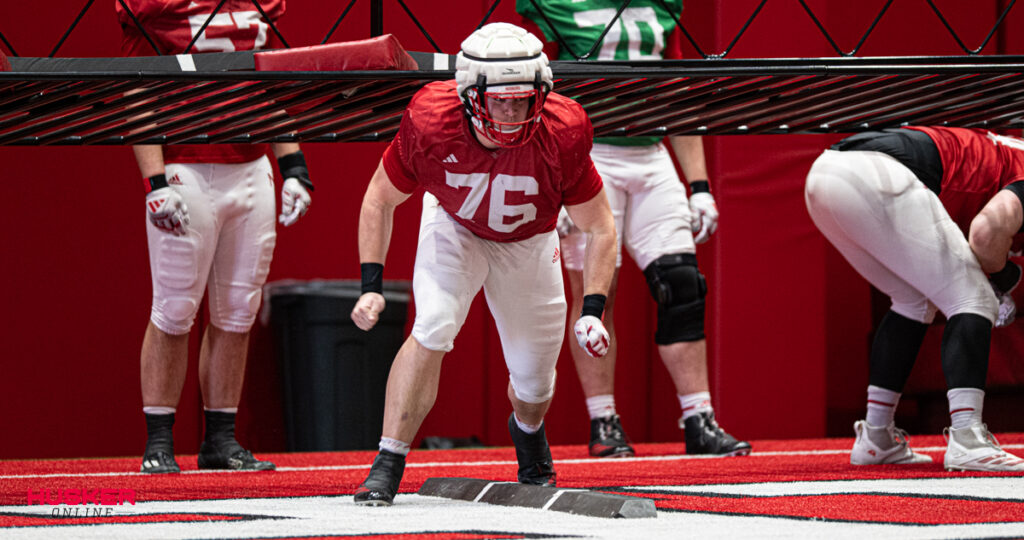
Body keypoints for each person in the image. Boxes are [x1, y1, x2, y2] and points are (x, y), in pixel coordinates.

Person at [349, 22, 617, 506]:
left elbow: (600, 226)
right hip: (455, 224)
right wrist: (371, 283)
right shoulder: (431, 120)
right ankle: (388, 461)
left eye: (523, 100)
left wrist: (593, 309)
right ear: (471, 94)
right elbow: (378, 199)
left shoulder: (563, 129)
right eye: (500, 101)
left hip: (530, 240)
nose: (512, 112)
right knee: (433, 323)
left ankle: (528, 433)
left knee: (534, 381)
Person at [516, 0, 750, 458]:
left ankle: (699, 417)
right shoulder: (552, 5)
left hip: (650, 153)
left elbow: (677, 98)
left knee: (682, 286)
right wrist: (550, 178)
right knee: (596, 293)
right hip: (588, 156)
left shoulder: (661, 6)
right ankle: (603, 419)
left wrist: (699, 186)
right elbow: (532, 99)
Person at [118, 0, 314, 474]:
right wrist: (154, 181)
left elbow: (269, 87)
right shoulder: (156, 8)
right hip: (184, 163)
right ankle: (159, 440)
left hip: (250, 165)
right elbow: (136, 92)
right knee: (174, 308)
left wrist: (294, 167)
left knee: (240, 308)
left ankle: (221, 440)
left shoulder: (258, 6)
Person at [805, 126, 1024, 472]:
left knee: (912, 300)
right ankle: (967, 438)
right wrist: (1005, 279)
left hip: (825, 172)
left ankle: (876, 437)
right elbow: (986, 233)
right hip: (877, 175)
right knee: (974, 297)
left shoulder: (1009, 151)